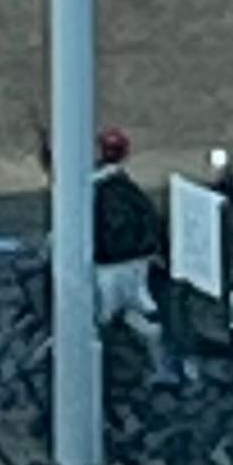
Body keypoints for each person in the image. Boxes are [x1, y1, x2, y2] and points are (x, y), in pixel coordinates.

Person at [91, 127, 161, 348]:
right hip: (135, 265)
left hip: (108, 267)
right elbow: (150, 220)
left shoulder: (93, 186)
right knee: (144, 314)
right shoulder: (128, 190)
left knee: (102, 319)